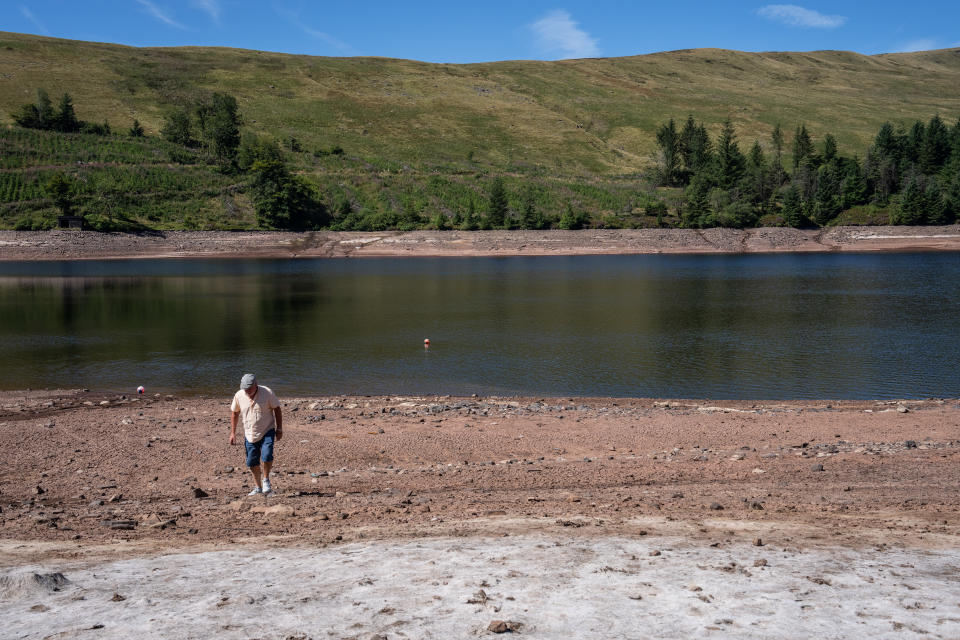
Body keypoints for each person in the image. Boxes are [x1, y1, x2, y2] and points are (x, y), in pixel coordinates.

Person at [230, 373, 282, 495]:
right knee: (252, 462)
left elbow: (277, 409)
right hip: (249, 433)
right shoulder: (239, 395)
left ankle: (266, 480)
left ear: (256, 384)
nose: (247, 392)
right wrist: (233, 433)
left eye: (249, 389)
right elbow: (235, 413)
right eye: (245, 389)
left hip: (267, 430)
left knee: (267, 455)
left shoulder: (267, 392)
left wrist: (279, 429)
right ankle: (258, 487)